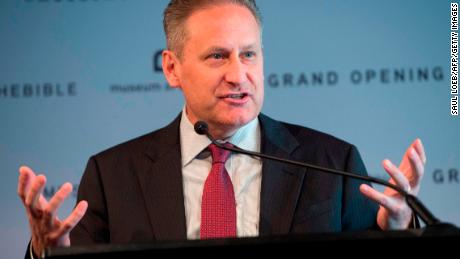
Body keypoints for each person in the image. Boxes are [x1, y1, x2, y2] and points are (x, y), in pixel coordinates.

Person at [17, 0, 426, 258]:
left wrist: (397, 232)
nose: (238, 74)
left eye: (249, 54)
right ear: (172, 68)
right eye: (217, 56)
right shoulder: (113, 175)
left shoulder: (333, 163)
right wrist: (46, 252)